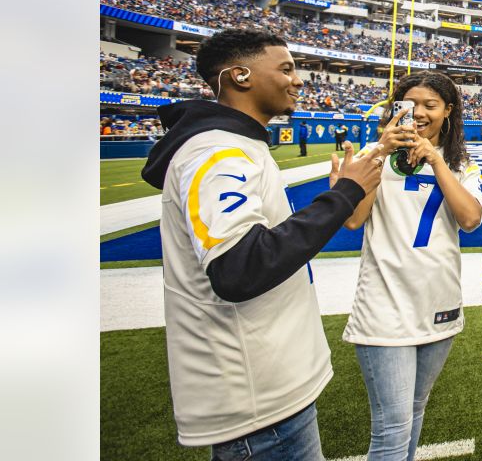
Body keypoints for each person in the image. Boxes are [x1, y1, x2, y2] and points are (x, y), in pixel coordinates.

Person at [141, 29, 384, 459]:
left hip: (267, 385)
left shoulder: (238, 144)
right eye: (286, 68)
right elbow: (239, 267)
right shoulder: (217, 152)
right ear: (240, 76)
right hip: (255, 398)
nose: (297, 80)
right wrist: (345, 193)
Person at [341, 72, 482, 461]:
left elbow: (470, 219)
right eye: (410, 104)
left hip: (437, 300)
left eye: (430, 105)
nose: (418, 113)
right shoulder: (375, 154)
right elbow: (354, 220)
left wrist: (438, 161)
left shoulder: (459, 162)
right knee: (391, 429)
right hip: (385, 304)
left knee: (415, 411)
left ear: (448, 111)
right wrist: (379, 154)